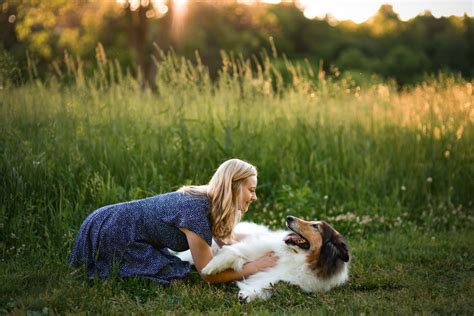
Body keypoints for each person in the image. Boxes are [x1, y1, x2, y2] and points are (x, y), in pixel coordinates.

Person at [69, 158, 278, 284]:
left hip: (110, 220)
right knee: (177, 274)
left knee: (174, 267)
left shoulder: (208, 203)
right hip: (111, 229)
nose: (254, 197)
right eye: (251, 190)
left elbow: (227, 240)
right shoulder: (196, 211)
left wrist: (268, 242)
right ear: (233, 186)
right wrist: (256, 266)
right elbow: (207, 274)